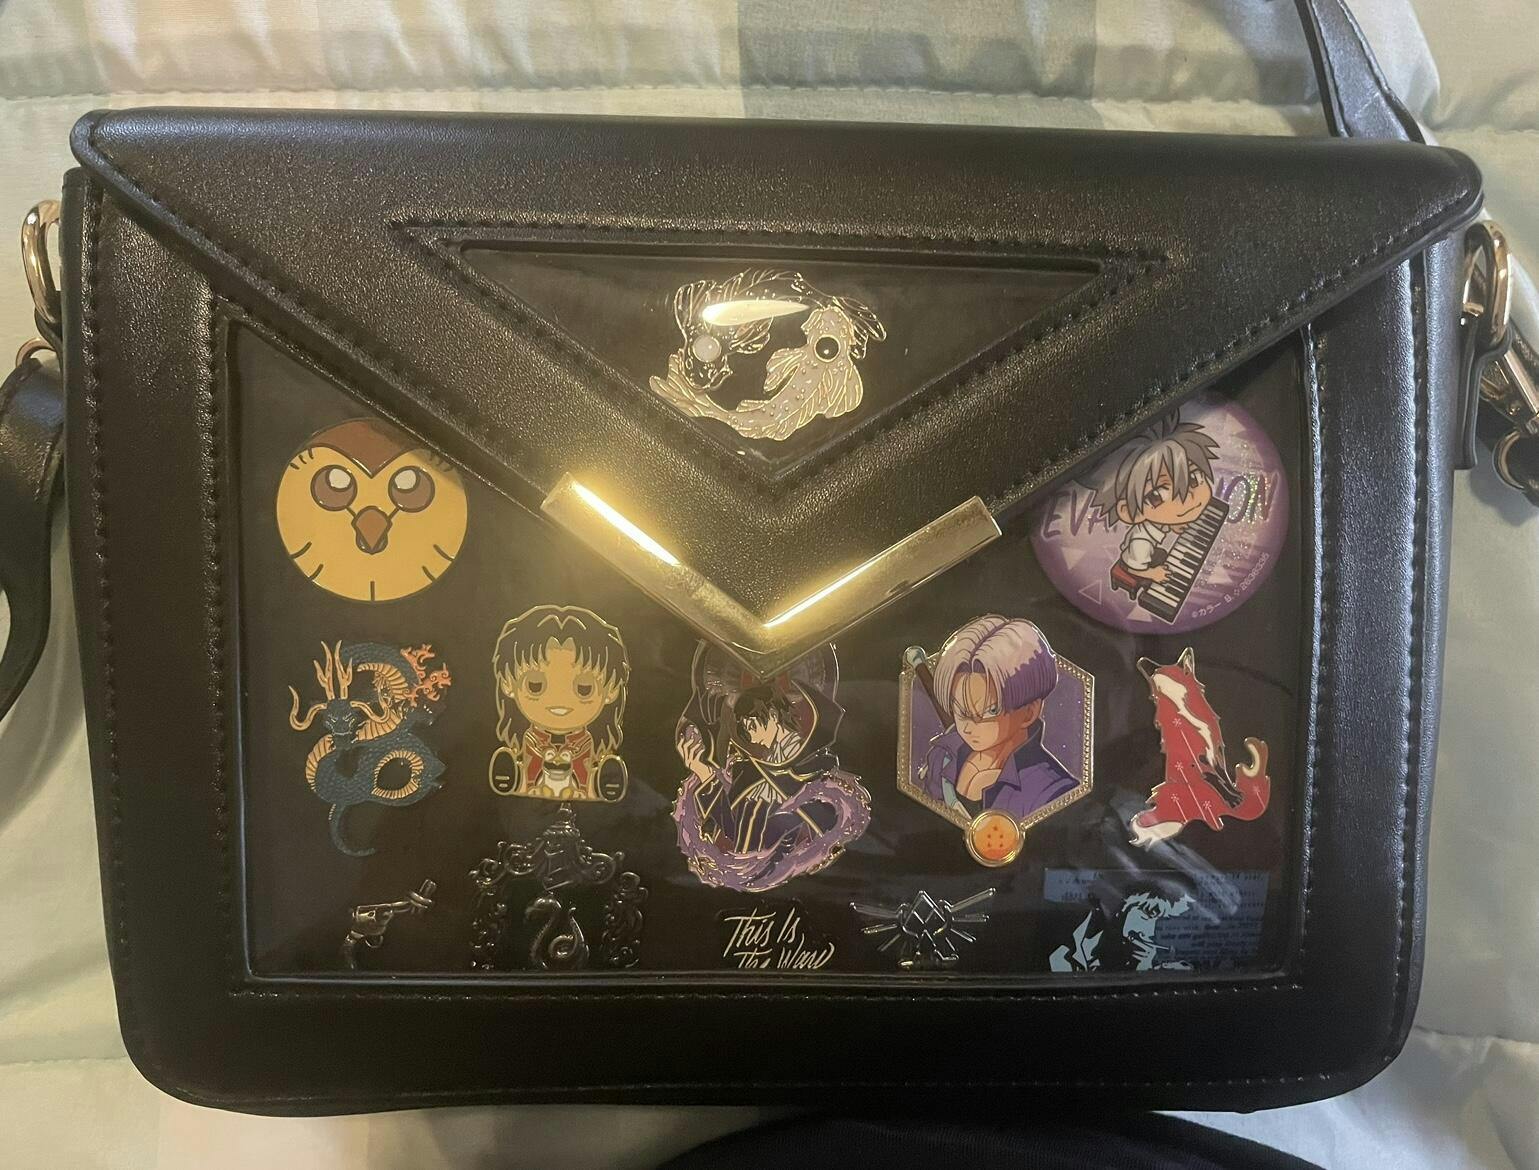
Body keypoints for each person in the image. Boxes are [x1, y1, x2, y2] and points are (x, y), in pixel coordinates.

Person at [919, 615, 1076, 821]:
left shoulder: (1051, 791)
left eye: (989, 711)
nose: (968, 727)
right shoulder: (943, 755)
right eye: (960, 710)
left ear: (1029, 712)